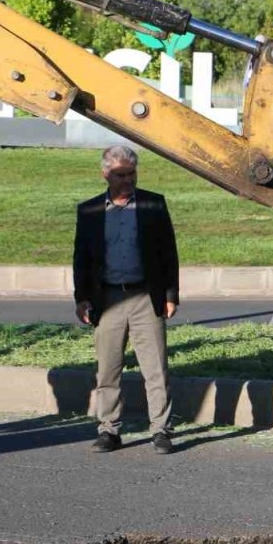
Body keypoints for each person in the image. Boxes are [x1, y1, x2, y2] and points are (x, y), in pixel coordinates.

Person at [73, 146, 179, 455]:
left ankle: (161, 430)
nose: (127, 180)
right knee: (108, 370)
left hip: (146, 296)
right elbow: (81, 259)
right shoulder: (90, 210)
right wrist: (82, 298)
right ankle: (109, 430)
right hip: (107, 299)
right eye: (120, 175)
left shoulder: (153, 204)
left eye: (131, 173)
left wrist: (171, 295)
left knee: (156, 369)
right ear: (105, 174)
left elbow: (168, 254)